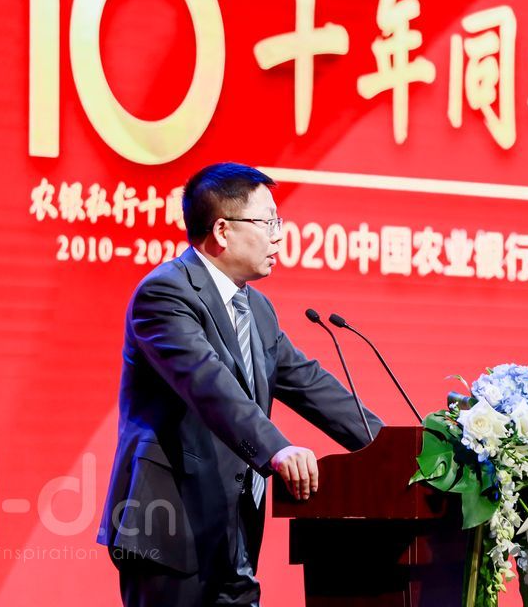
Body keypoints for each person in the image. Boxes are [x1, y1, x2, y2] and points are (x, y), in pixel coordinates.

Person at [97, 162, 383, 606]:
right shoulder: (165, 294)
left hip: (234, 532)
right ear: (223, 230)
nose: (278, 236)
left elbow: (309, 384)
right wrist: (277, 449)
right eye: (268, 222)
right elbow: (211, 387)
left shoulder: (257, 309)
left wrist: (402, 451)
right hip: (170, 528)